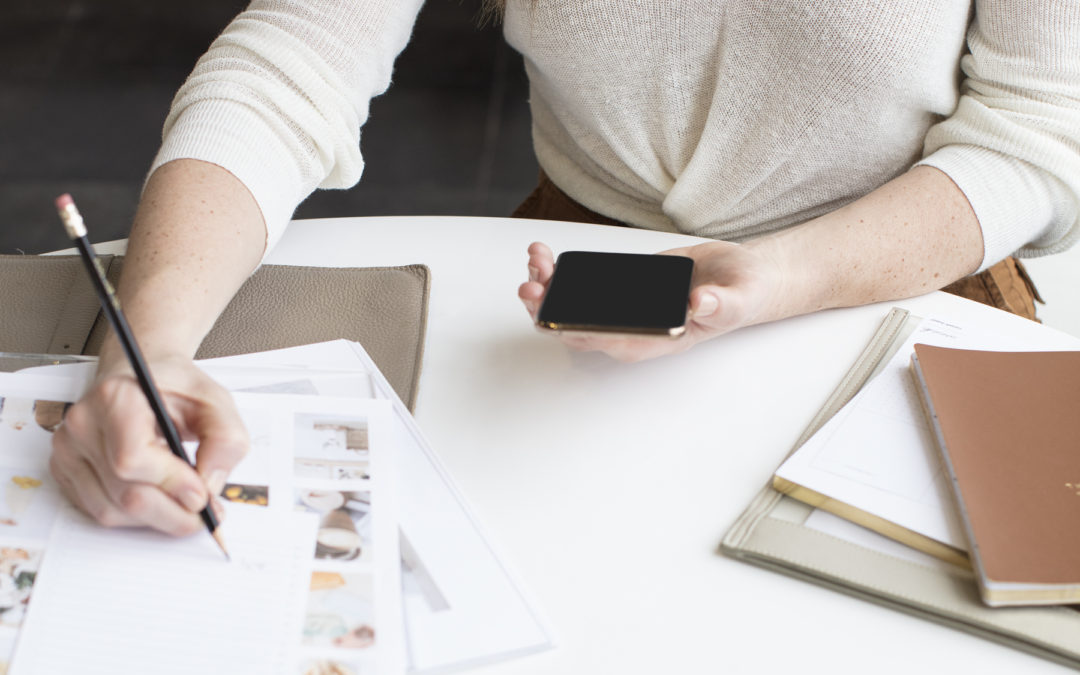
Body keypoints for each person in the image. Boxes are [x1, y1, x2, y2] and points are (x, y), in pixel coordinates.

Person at [50, 1, 1080, 535]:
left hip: (898, 276)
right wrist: (148, 346)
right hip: (584, 288)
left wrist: (774, 278)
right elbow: (293, 64)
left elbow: (1038, 132)